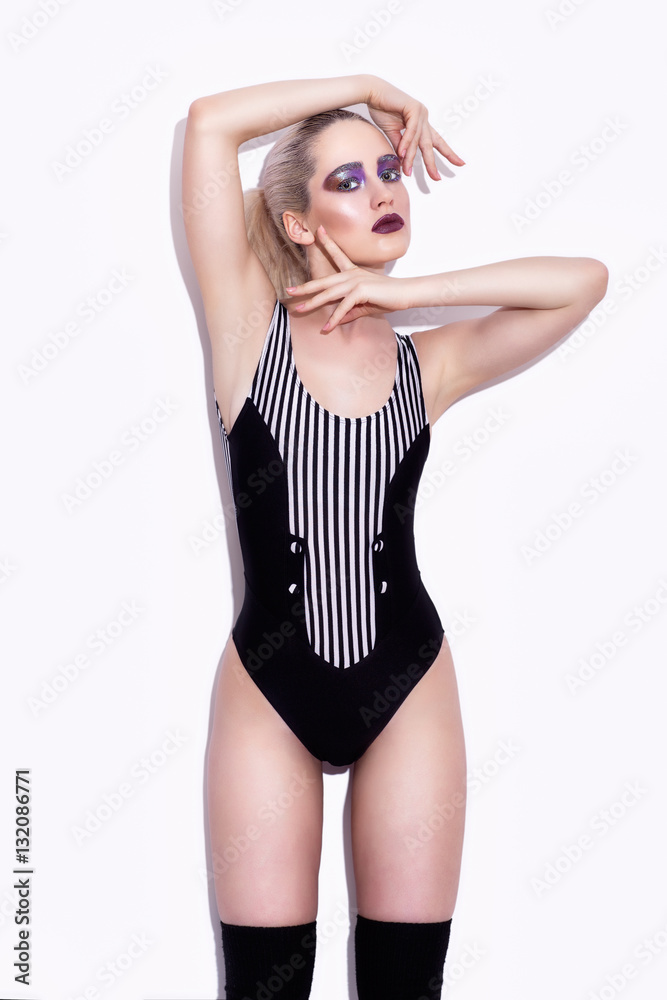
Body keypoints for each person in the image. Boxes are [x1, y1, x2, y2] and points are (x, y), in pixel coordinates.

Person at [181, 74, 608, 1000]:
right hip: (269, 691)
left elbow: (583, 283)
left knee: (405, 989)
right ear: (297, 223)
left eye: (387, 170)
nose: (382, 190)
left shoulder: (428, 363)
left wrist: (403, 293)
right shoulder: (247, 332)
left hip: (406, 682)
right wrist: (369, 87)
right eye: (347, 181)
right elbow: (210, 125)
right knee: (261, 989)